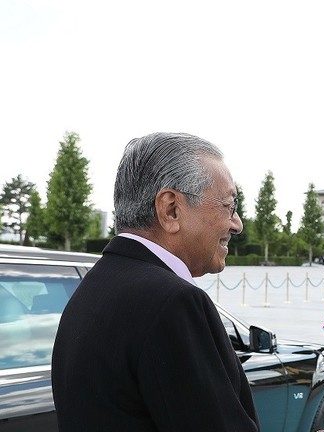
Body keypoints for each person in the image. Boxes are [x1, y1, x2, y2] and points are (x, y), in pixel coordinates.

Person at [51, 133, 260, 432]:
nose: (237, 224)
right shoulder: (173, 302)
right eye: (229, 205)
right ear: (171, 209)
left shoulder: (94, 286)